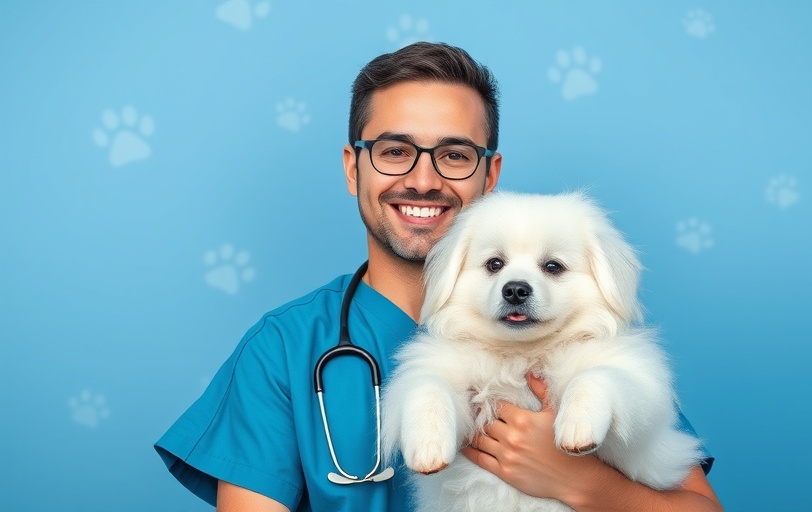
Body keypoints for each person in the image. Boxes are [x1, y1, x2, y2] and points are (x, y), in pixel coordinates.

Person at [155, 42, 722, 511]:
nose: (424, 180)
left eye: (453, 155)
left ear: (489, 174)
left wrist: (580, 483)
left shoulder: (595, 342)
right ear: (354, 168)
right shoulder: (282, 348)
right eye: (396, 150)